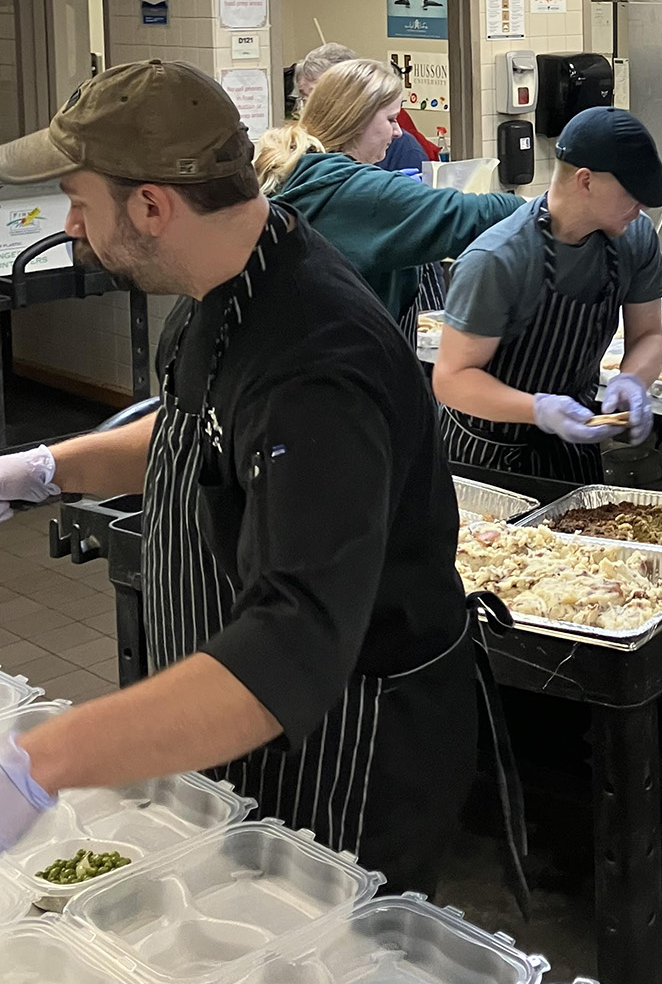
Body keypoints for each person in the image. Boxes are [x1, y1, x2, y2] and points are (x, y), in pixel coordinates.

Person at [0, 60, 519, 898]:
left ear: (152, 206)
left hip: (343, 751)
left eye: (79, 198)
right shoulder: (221, 286)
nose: (72, 225)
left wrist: (40, 763)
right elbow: (196, 437)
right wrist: (39, 470)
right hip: (242, 735)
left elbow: (291, 645)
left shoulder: (315, 361)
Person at [433, 106, 662, 482]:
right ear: (585, 181)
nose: (642, 205)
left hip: (571, 450)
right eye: (634, 192)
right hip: (484, 454)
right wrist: (539, 409)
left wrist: (631, 380)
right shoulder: (498, 261)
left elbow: (648, 336)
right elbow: (451, 379)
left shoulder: (634, 236)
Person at [256, 58, 524, 328]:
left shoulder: (295, 170)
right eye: (392, 119)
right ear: (357, 118)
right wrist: (541, 205)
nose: (398, 132)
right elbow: (470, 214)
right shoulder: (354, 189)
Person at [296, 42, 438, 169]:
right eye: (305, 98)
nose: (309, 108)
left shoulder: (403, 148)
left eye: (320, 98)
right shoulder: (301, 150)